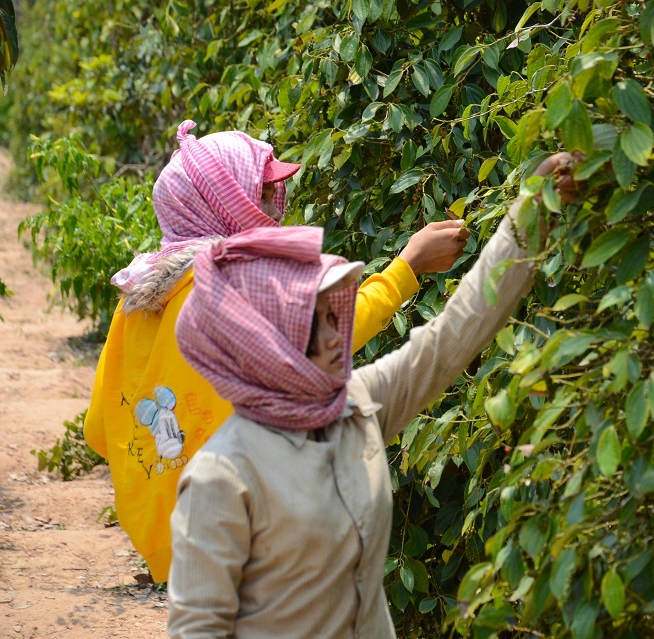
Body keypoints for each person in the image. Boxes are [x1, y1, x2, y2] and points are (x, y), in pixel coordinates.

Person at [166, 152, 574, 638]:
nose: (339, 336)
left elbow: (453, 335)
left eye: (334, 315)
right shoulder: (221, 478)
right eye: (317, 323)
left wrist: (529, 216)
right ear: (267, 348)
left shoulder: (355, 406)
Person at [82, 119, 468, 584]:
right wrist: (408, 265)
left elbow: (99, 429)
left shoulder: (141, 291)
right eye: (259, 193)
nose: (272, 206)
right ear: (222, 204)